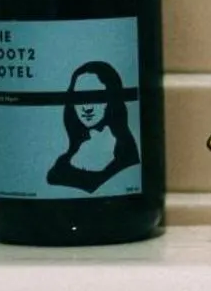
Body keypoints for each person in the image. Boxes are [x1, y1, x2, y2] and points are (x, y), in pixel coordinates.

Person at [46, 61, 140, 194]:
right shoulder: (64, 160)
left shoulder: (127, 154)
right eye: (80, 97)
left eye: (96, 97)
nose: (87, 107)